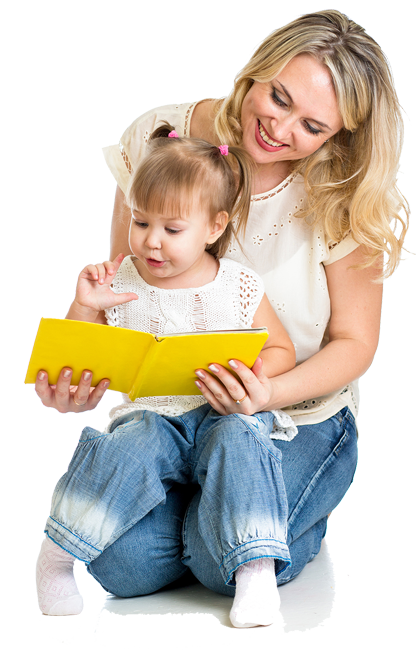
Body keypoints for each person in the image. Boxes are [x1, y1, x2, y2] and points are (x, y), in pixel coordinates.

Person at [35, 9, 408, 625]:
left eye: (312, 125)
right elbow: (130, 289)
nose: (279, 128)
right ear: (258, 69)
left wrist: (266, 393)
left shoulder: (347, 193)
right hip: (172, 412)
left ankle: (268, 520)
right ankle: (231, 520)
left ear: (339, 135)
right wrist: (80, 373)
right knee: (122, 565)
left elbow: (355, 342)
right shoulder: (162, 140)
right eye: (278, 97)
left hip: (295, 413)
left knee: (218, 563)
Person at [36, 124, 298, 627]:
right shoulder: (120, 280)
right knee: (126, 447)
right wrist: (85, 306)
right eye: (140, 222)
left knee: (243, 441)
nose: (151, 242)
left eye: (172, 230)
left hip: (222, 412)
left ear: (214, 227)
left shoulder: (239, 285)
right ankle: (57, 555)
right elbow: (76, 357)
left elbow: (281, 349)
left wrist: (252, 378)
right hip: (154, 418)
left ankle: (256, 571)